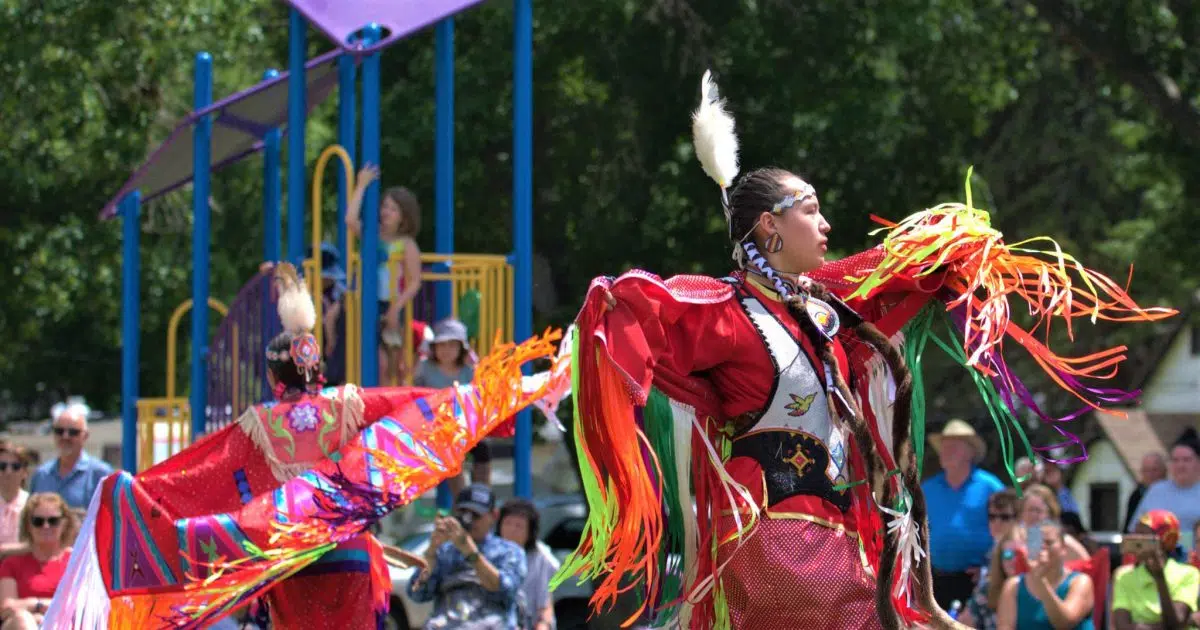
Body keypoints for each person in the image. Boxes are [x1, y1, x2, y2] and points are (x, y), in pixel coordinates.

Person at [553, 71, 1170, 629]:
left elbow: (885, 282)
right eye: (812, 211)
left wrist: (952, 247)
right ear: (770, 226)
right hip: (775, 538)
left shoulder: (823, 314)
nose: (826, 225)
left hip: (839, 532)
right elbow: (635, 313)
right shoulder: (729, 312)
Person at [41, 262, 570, 629]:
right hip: (355, 560)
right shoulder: (354, 405)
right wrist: (511, 391)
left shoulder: (255, 427)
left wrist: (132, 492)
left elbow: (197, 478)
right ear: (318, 368)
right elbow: (430, 406)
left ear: (273, 376)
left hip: (291, 564)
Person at [409, 484, 527, 629]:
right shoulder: (445, 551)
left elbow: (504, 590)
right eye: (463, 513)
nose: (469, 520)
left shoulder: (509, 551)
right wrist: (431, 551)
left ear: (494, 516)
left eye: (476, 515)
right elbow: (417, 594)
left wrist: (470, 551)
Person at [346, 165, 424, 386]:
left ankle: (387, 399)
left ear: (404, 216)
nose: (385, 212)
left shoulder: (406, 244)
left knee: (389, 361)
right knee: (361, 354)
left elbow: (414, 281)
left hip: (388, 304)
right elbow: (351, 221)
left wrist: (396, 308)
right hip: (363, 300)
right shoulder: (373, 235)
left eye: (393, 209)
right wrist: (361, 185)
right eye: (385, 207)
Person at [924, 419, 1005, 609]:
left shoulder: (989, 486)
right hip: (935, 580)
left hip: (977, 580)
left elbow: (1010, 530)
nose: (945, 452)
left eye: (953, 447)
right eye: (943, 447)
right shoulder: (927, 489)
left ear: (970, 453)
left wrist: (991, 568)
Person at [415, 319, 492, 495]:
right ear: (434, 348)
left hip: (464, 425)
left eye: (452, 345)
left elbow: (481, 394)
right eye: (441, 345)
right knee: (451, 452)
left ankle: (482, 492)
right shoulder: (426, 368)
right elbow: (414, 393)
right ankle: (461, 498)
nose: (446, 350)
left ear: (461, 349)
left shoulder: (468, 370)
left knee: (482, 448)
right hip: (436, 428)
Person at [996, 520, 1094, 630]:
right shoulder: (1013, 586)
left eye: (1048, 542)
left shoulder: (1080, 582)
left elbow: (1064, 623)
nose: (1042, 547)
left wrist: (1040, 581)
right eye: (1036, 543)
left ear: (1063, 548)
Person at [0, 493, 77, 629]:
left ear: (65, 524)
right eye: (38, 521)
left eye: (53, 521)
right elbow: (6, 608)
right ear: (28, 526)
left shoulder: (75, 563)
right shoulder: (12, 563)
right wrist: (40, 606)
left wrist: (36, 609)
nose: (46, 526)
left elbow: (79, 606)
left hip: (63, 625)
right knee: (22, 619)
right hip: (22, 625)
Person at [1112, 510, 1199, 630]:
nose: (1137, 540)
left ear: (1163, 540)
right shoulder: (1124, 577)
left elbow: (1176, 623)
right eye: (1135, 534)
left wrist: (1159, 576)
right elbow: (1121, 626)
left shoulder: (1188, 574)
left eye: (1143, 536)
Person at [29, 402, 112, 510]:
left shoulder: (101, 474)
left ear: (85, 436)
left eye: (73, 432)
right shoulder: (41, 475)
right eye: (59, 431)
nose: (65, 436)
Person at [1128, 429, 1200, 550]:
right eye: (1175, 460)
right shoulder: (1156, 490)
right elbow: (1135, 531)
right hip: (1159, 561)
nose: (1180, 465)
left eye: (1186, 460)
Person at [961, 489, 1020, 629]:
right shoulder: (991, 550)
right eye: (992, 517)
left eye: (1005, 517)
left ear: (1018, 518)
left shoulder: (1020, 547)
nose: (997, 522)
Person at [498, 498, 560, 630]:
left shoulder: (540, 557)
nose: (512, 530)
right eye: (507, 523)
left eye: (519, 526)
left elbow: (545, 603)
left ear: (530, 532)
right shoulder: (489, 552)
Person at [1019, 484, 1090, 562]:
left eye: (1038, 510)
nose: (1033, 515)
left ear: (1050, 513)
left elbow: (1088, 567)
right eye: (1030, 510)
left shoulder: (1065, 543)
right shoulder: (1018, 541)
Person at [1124, 452, 1167, 534]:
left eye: (1154, 470)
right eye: (1146, 470)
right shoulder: (1136, 496)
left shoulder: (1172, 491)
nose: (1150, 474)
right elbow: (1129, 528)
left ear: (1164, 471)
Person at [0, 443, 29, 555]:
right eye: (2, 466)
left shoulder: (32, 503)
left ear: (25, 472)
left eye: (15, 466)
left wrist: (4, 550)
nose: (8, 472)